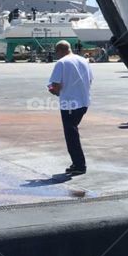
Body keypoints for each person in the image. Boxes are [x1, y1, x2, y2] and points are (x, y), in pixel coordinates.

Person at [47, 40, 93, 176]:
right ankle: (77, 163)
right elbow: (90, 80)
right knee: (73, 132)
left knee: (71, 135)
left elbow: (55, 86)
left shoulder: (61, 63)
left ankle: (79, 165)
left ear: (59, 50)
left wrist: (52, 90)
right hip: (84, 102)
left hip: (69, 104)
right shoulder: (84, 61)